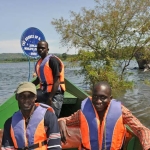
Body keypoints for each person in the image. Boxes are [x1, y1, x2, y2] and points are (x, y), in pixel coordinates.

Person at [58, 81, 150, 150]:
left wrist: (147, 145)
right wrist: (61, 121)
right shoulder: (84, 111)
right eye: (95, 97)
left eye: (103, 98)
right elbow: (67, 119)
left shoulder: (121, 111)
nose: (98, 101)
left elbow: (140, 129)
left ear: (110, 98)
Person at [1, 82, 61, 150]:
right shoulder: (9, 123)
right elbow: (7, 148)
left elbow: (54, 147)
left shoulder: (49, 117)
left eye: (30, 96)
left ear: (35, 97)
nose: (26, 100)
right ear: (16, 97)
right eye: (22, 96)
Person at [32, 40, 66, 118]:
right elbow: (38, 80)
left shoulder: (52, 60)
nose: (40, 50)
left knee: (53, 116)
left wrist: (50, 98)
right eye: (38, 48)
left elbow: (56, 81)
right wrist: (26, 87)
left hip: (55, 93)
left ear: (47, 49)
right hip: (44, 91)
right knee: (27, 96)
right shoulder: (40, 62)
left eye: (43, 48)